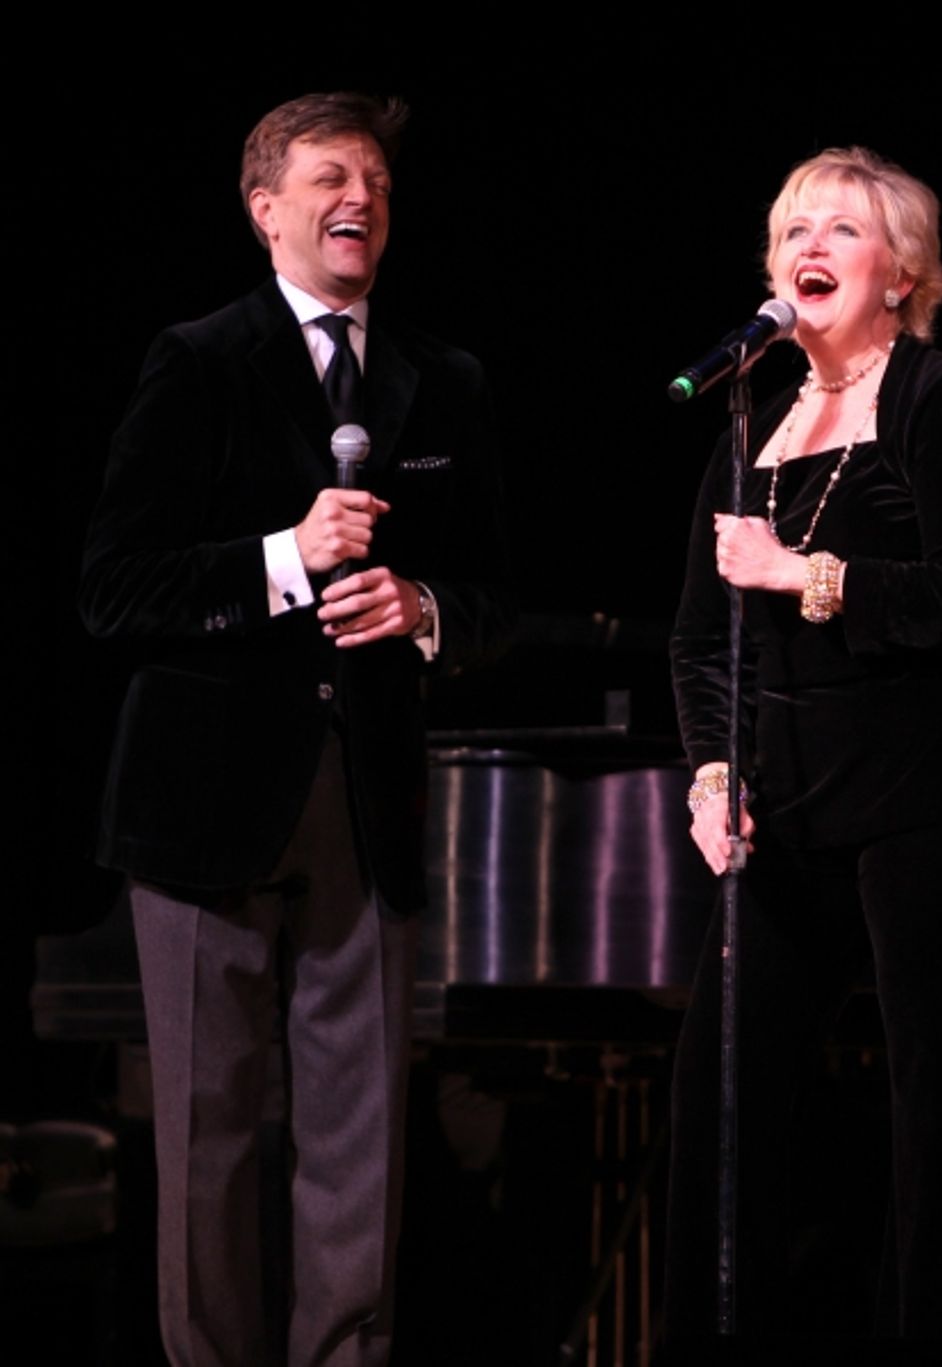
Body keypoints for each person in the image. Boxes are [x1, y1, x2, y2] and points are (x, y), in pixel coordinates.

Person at [79, 92, 513, 1366]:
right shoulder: (200, 359)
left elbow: (496, 599)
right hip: (206, 801)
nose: (359, 200)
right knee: (208, 1131)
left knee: (360, 1138)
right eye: (330, 176)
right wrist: (286, 555)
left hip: (365, 799)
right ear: (265, 208)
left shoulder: (445, 377)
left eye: (376, 180)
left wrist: (425, 606)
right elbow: (114, 589)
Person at [664, 147, 942, 1356]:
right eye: (793, 231)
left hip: (939, 796)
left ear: (902, 275)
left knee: (934, 1108)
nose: (810, 248)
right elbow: (698, 643)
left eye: (843, 228)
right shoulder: (749, 425)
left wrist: (805, 573)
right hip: (792, 801)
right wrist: (715, 777)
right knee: (717, 1102)